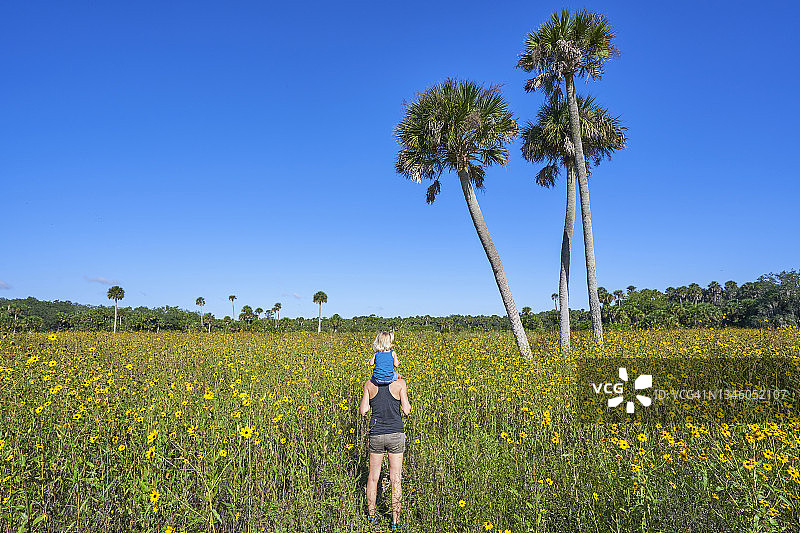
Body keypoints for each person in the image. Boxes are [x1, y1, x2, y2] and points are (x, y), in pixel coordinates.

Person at [359, 361, 412, 531]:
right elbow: (406, 410)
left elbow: (363, 410)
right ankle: (395, 522)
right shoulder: (400, 384)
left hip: (376, 434)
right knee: (395, 479)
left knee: (373, 478)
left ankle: (372, 516)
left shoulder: (369, 384)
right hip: (396, 434)